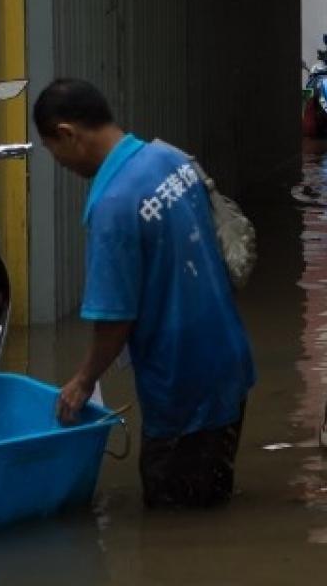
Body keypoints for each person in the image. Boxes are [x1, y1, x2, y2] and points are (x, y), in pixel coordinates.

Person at [34, 78, 255, 507]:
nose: (57, 162)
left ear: (68, 134)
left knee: (175, 529)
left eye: (51, 149)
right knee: (212, 498)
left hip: (182, 384)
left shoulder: (113, 206)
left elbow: (115, 318)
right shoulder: (171, 159)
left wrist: (82, 382)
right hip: (228, 360)